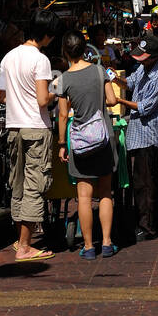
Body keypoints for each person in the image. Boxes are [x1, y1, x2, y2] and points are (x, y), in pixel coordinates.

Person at [57, 29, 124, 259]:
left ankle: (88, 247)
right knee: (106, 192)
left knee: (83, 197)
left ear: (65, 51)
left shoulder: (63, 79)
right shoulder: (98, 71)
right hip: (102, 138)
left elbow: (63, 115)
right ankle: (106, 243)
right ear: (85, 49)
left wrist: (61, 144)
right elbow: (113, 100)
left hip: (80, 142)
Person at [0, 8, 58, 262]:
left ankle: (19, 239)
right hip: (35, 126)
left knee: (18, 184)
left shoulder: (8, 57)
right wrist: (57, 89)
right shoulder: (40, 59)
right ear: (46, 34)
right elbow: (43, 99)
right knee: (35, 184)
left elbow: (0, 96)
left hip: (13, 126)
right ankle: (25, 245)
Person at [124, 32, 158, 241]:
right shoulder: (143, 68)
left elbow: (146, 107)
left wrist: (119, 101)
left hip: (149, 133)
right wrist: (115, 78)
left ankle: (149, 225)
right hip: (137, 132)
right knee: (143, 179)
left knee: (146, 181)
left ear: (153, 56)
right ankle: (153, 221)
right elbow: (131, 82)